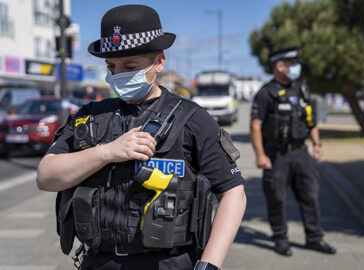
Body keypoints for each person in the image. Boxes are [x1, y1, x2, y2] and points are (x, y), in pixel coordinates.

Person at [37, 5, 246, 270]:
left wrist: (209, 265)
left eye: (130, 66)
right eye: (111, 66)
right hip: (100, 261)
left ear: (159, 62)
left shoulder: (192, 119)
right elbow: (46, 176)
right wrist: (107, 152)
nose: (118, 74)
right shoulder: (89, 116)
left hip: (169, 263)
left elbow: (233, 193)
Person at [250, 46, 336, 256]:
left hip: (300, 152)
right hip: (276, 154)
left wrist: (316, 144)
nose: (296, 68)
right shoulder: (266, 93)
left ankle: (314, 238)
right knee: (276, 197)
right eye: (292, 64)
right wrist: (260, 155)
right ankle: (280, 239)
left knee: (310, 195)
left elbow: (311, 120)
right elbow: (255, 126)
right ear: (279, 66)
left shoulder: (302, 90)